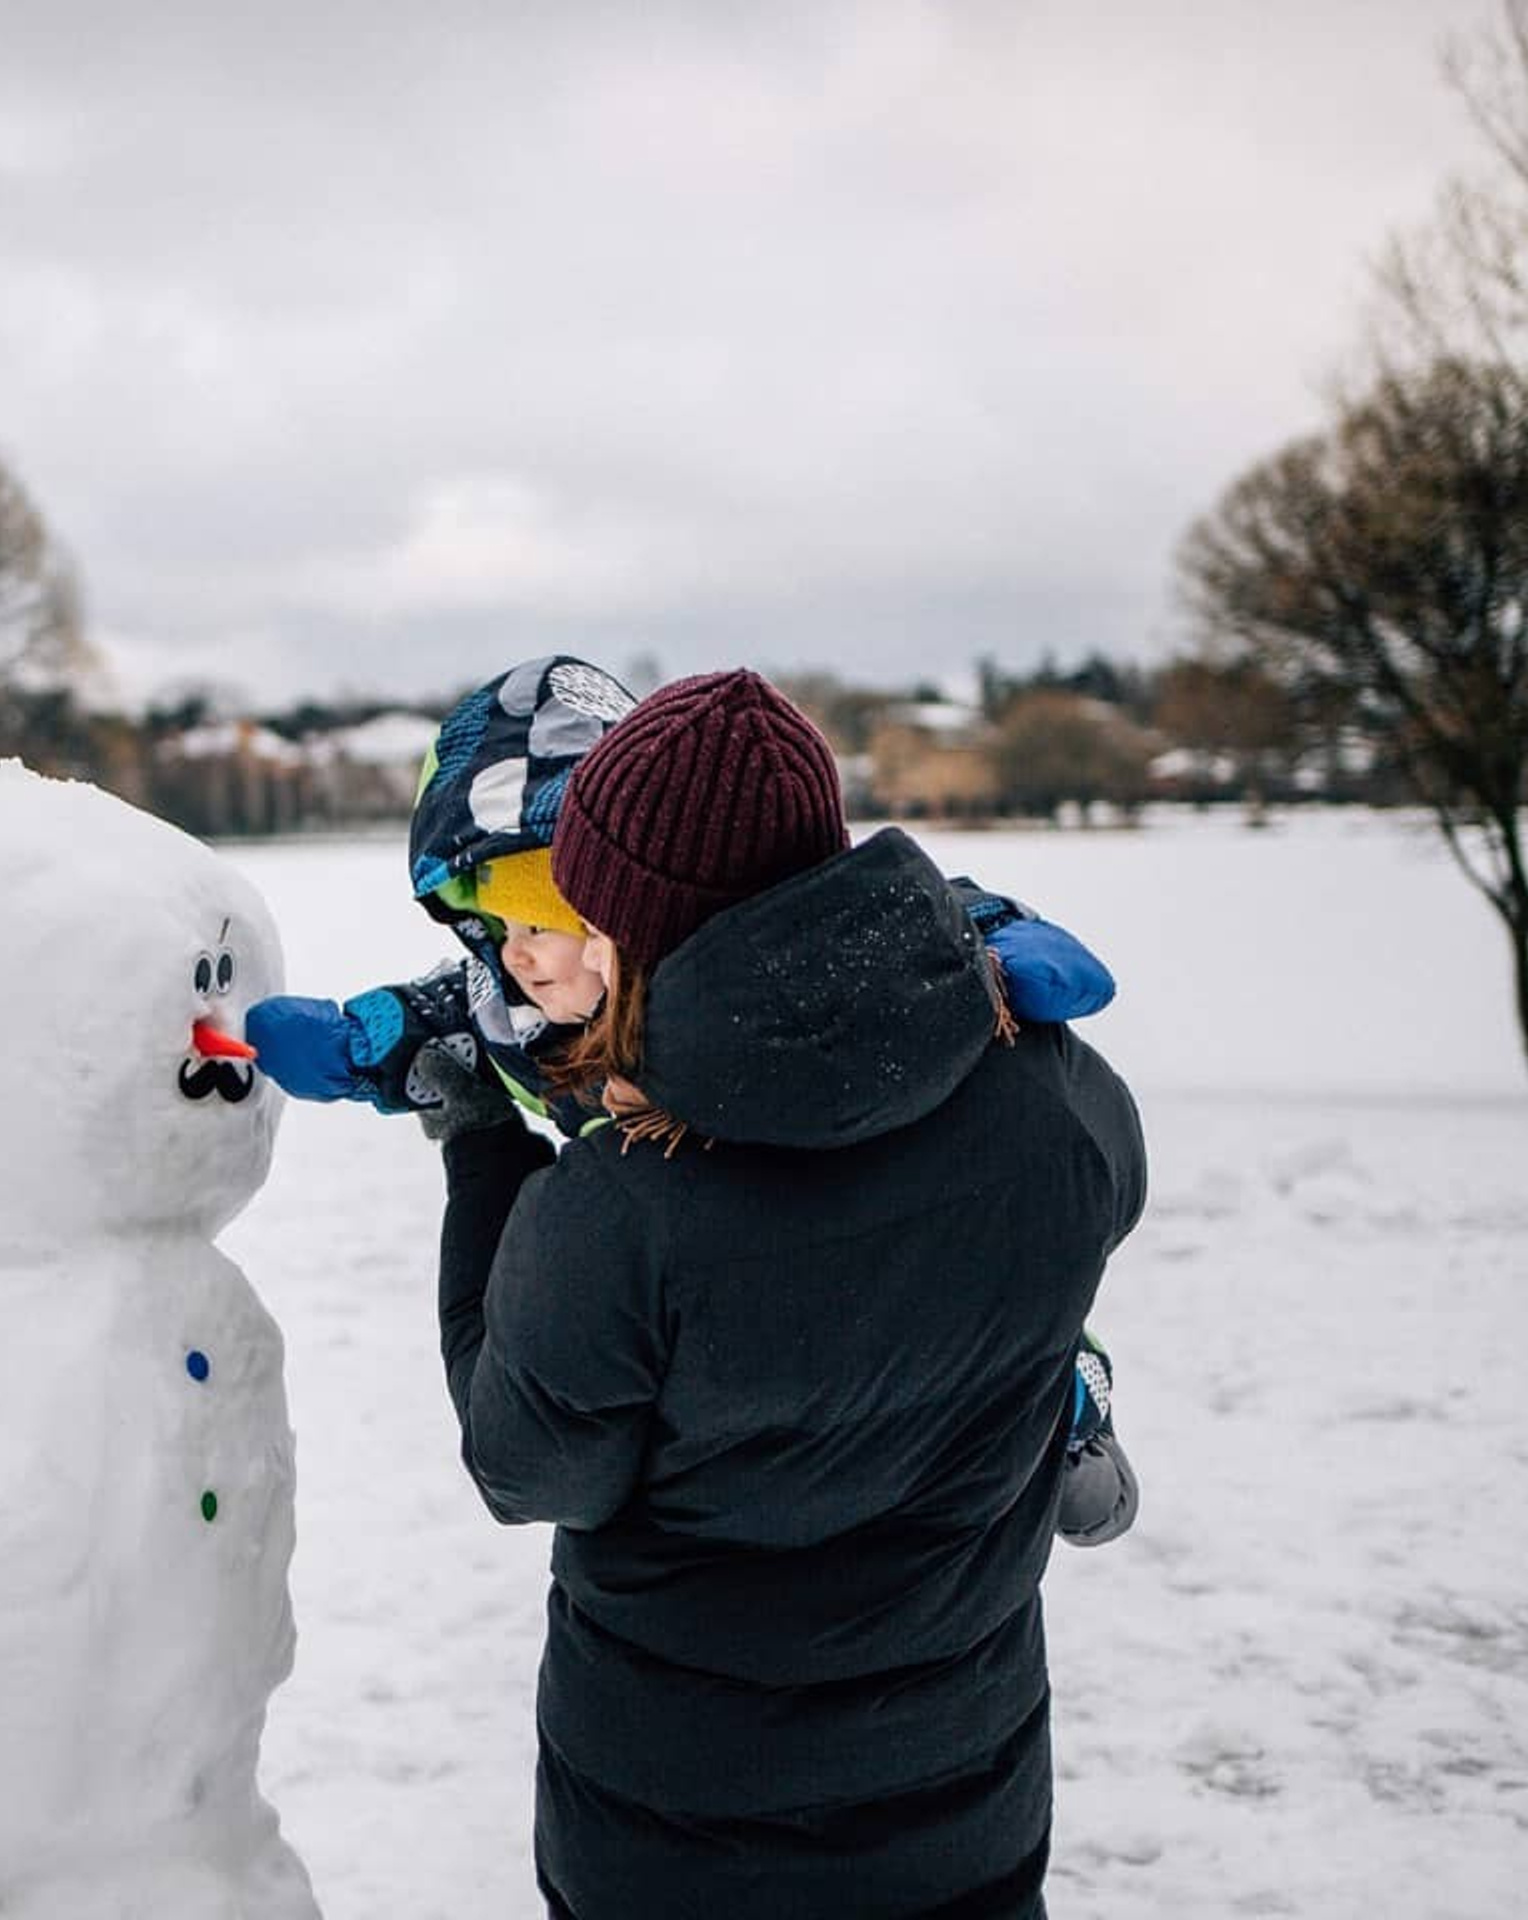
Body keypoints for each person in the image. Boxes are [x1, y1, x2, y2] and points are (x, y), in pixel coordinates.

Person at [415, 669, 1147, 1920]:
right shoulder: (1065, 1104)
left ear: (635, 923)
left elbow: (528, 1468)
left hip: (679, 1843)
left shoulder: (616, 1212)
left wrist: (484, 1154)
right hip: (963, 1810)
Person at [246, 655, 1136, 1543]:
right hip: (717, 1285)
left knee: (970, 1287)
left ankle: (1066, 1404)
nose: (522, 954)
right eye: (491, 919)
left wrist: (994, 944)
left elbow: (899, 925)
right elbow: (424, 1022)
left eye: (550, 916)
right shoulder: (510, 1010)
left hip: (903, 1233)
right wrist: (339, 1041)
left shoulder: (760, 988)